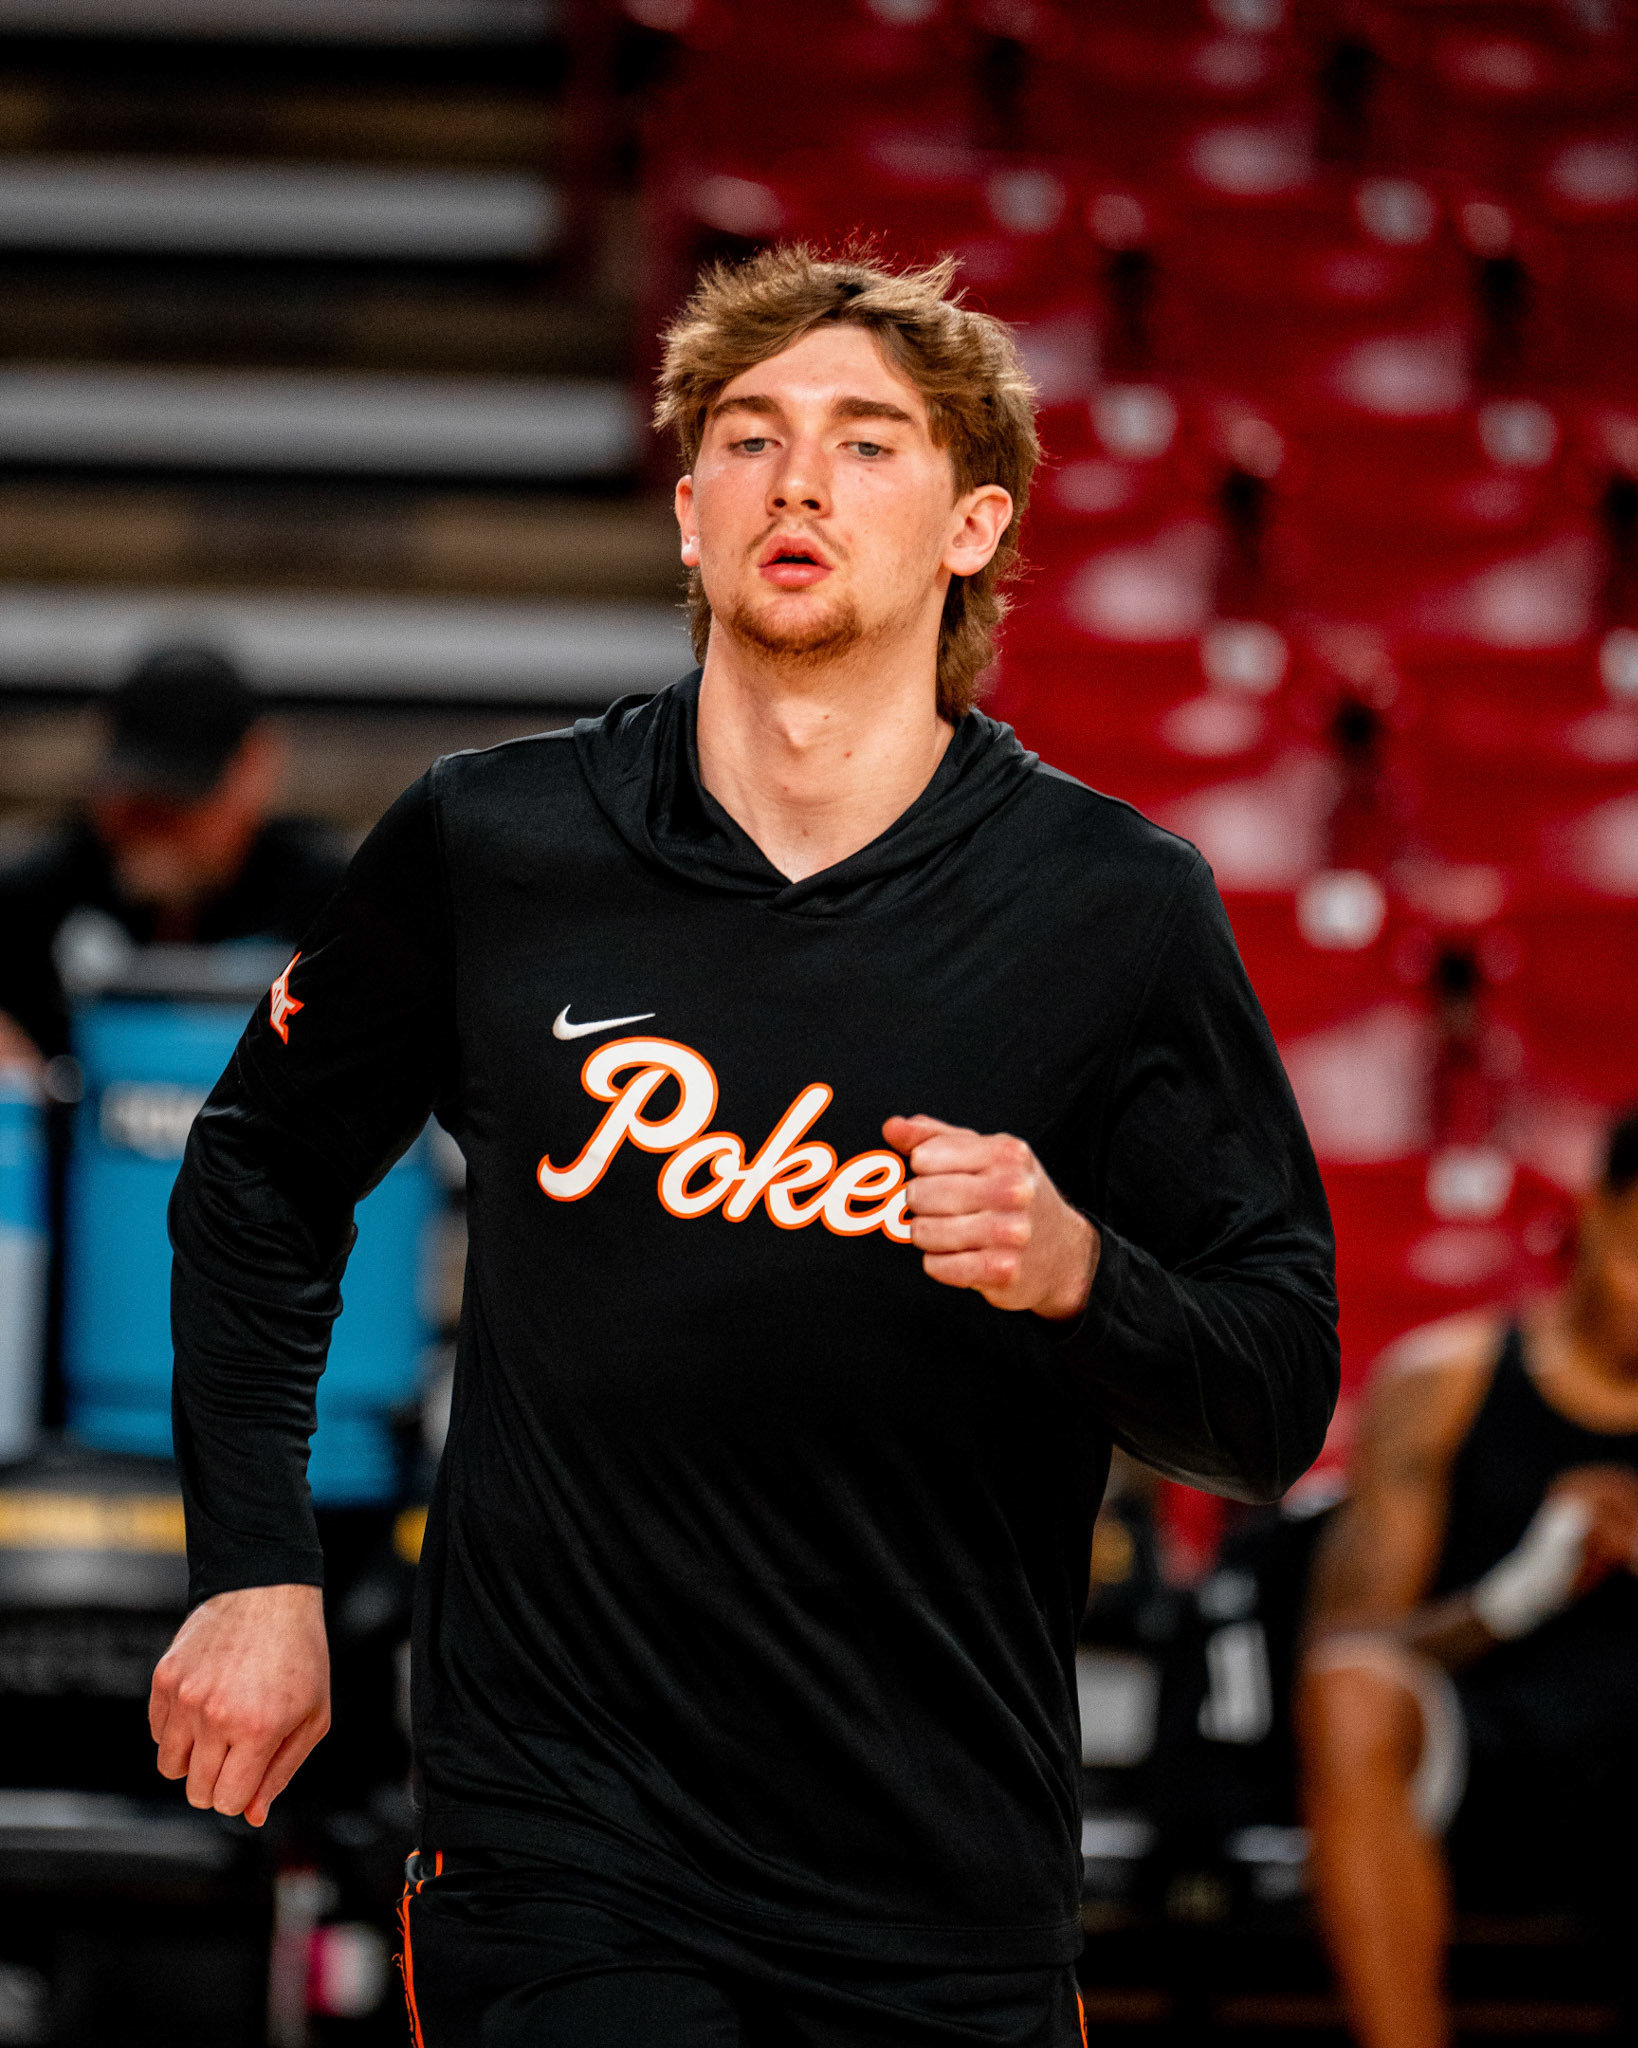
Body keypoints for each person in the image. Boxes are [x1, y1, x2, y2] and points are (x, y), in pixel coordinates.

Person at [149, 248, 1339, 2048]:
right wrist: (256, 1559)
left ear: (969, 525)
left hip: (938, 1872)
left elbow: (1269, 1397)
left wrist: (1078, 1273)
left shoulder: (1116, 912)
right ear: (689, 509)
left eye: (868, 443)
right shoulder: (495, 841)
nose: (798, 477)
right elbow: (256, 1168)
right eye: (748, 435)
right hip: (562, 1848)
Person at [1298, 1108, 1638, 2048]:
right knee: (1352, 1696)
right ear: (1600, 1215)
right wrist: (1522, 1591)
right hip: (1486, 1765)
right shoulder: (1446, 1382)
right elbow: (1346, 1647)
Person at [0, 645, 344, 1066]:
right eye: (138, 795)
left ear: (255, 767)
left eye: (183, 798)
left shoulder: (331, 909)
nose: (155, 825)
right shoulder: (32, 903)